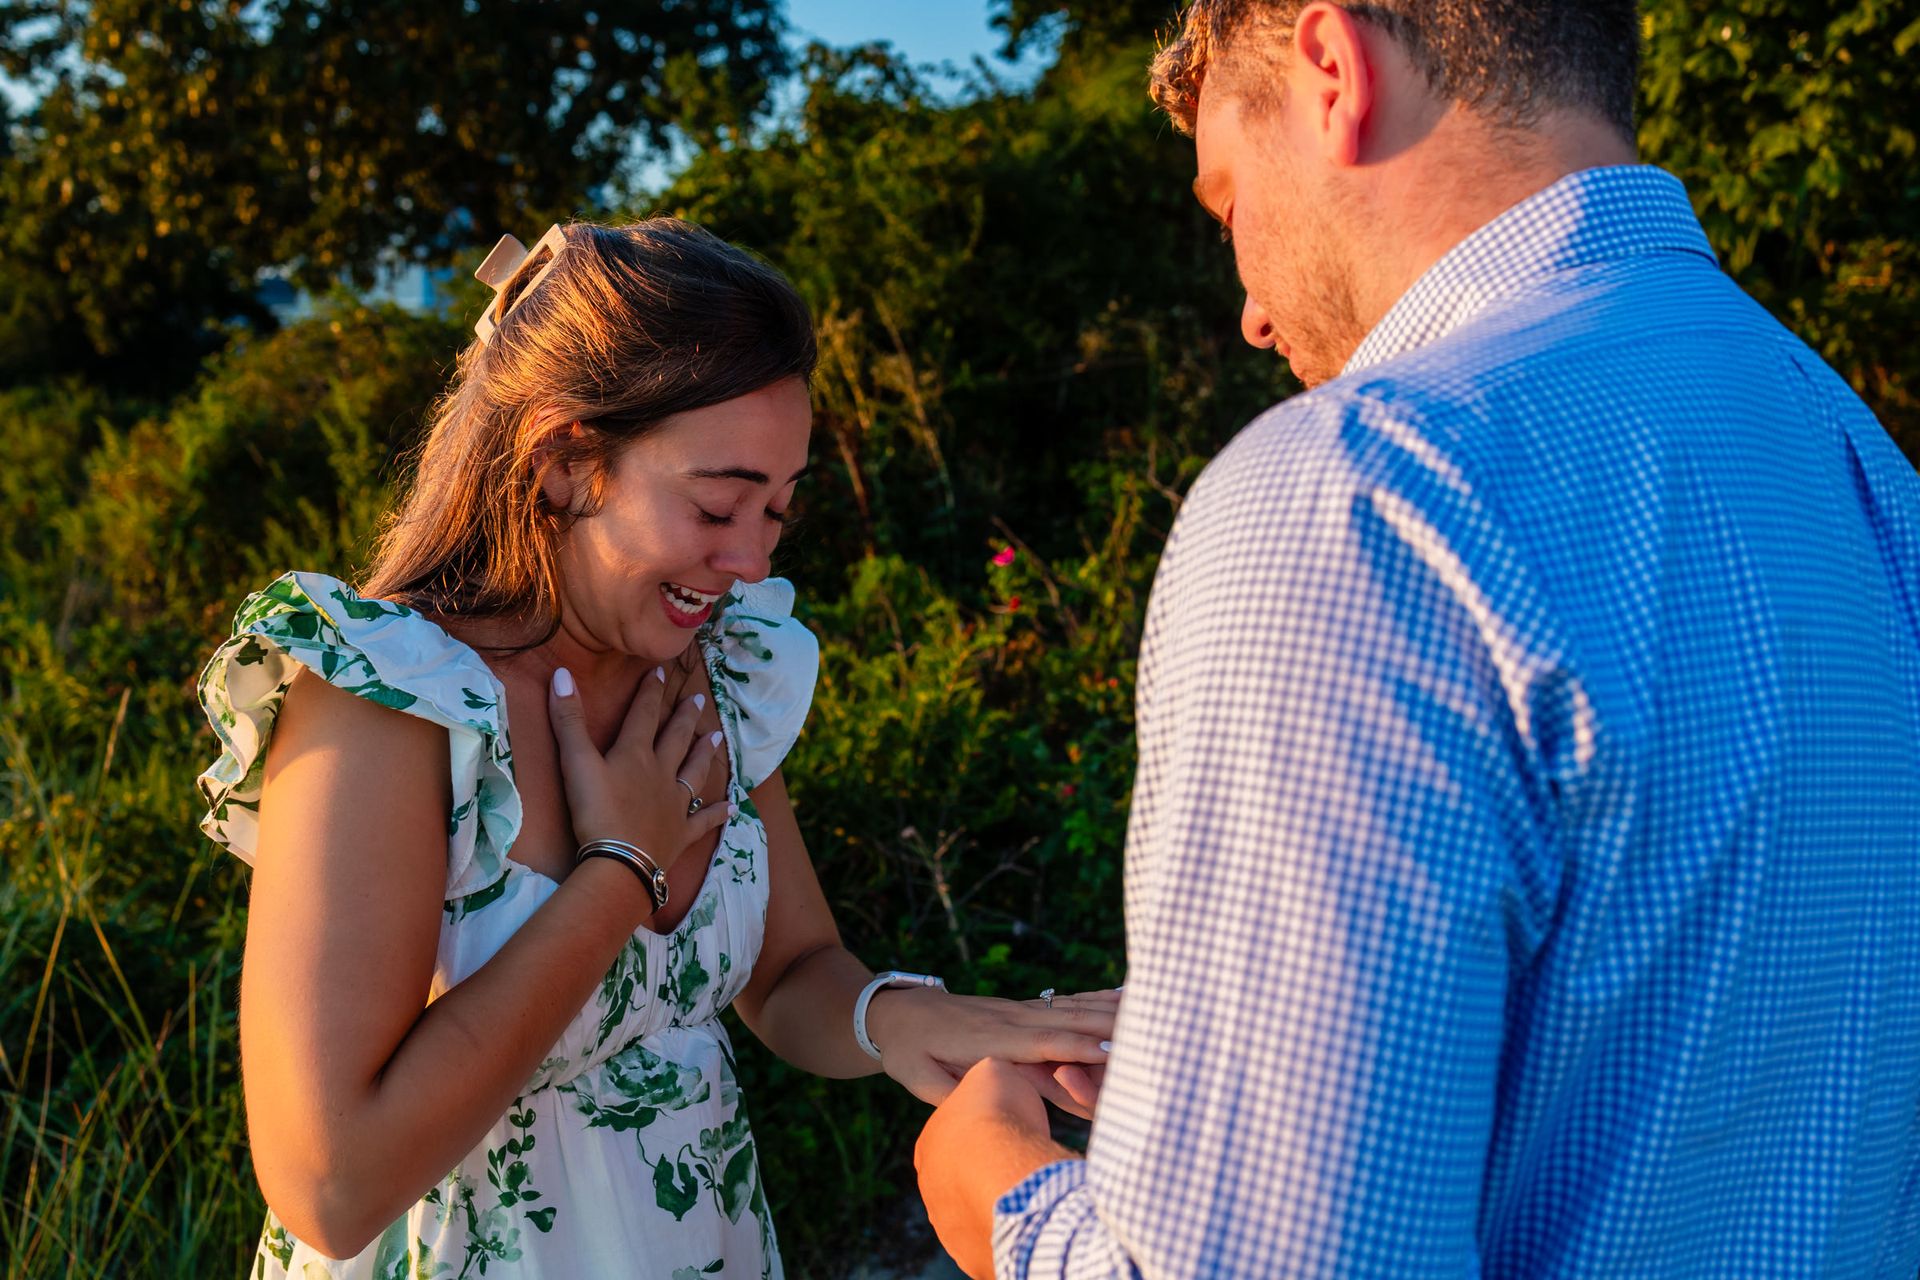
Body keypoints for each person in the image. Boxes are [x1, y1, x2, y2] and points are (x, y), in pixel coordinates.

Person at [914, 1, 1920, 1275]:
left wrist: (999, 1193)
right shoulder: (1854, 446)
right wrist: (1246, 1102)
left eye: (1229, 204)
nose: (1251, 313)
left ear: (1334, 69)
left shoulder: (1359, 493)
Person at [195, 217, 1117, 1278]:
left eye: (776, 509)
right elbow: (330, 1183)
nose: (751, 558)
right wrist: (620, 872)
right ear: (563, 463)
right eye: (718, 505)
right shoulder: (392, 700)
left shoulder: (715, 666)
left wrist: (919, 1020)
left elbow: (790, 972)